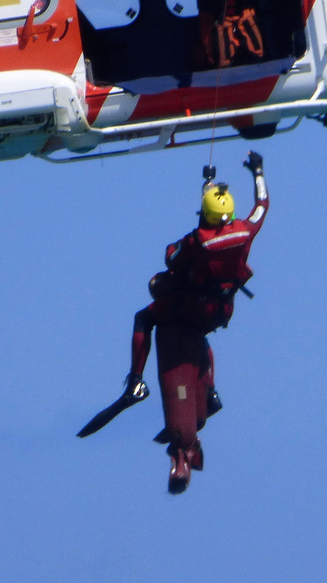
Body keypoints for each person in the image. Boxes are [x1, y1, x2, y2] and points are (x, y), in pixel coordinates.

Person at [77, 152, 270, 495]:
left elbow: (172, 256)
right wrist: (257, 171)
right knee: (200, 337)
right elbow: (262, 205)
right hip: (221, 311)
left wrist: (195, 224)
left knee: (146, 315)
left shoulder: (200, 241)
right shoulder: (244, 229)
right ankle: (208, 390)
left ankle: (135, 382)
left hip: (192, 308)